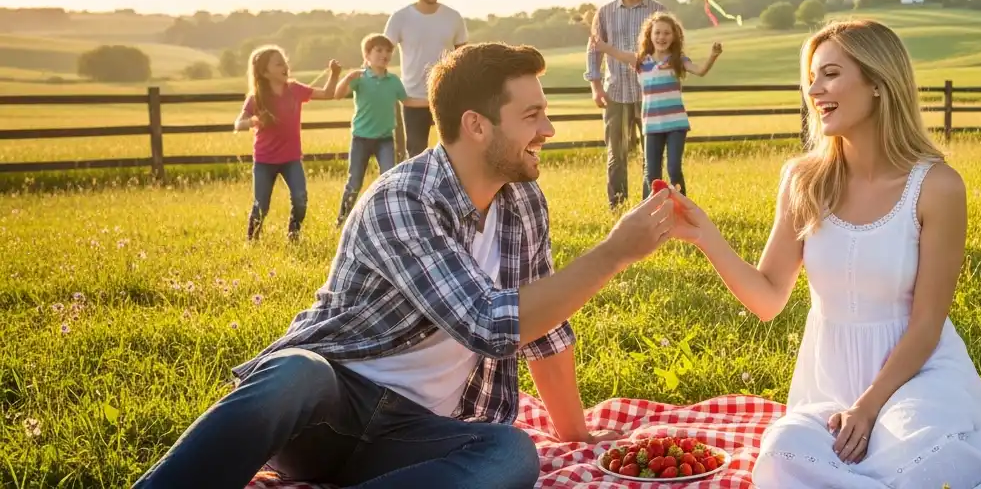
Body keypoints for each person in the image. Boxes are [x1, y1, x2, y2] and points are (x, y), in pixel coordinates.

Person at [136, 43, 678, 489]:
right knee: (296, 371)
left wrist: (575, 434)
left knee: (511, 452)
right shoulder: (403, 199)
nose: (549, 129)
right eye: (532, 116)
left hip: (414, 433)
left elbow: (543, 328)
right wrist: (614, 252)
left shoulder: (524, 202)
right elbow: (489, 323)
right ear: (477, 125)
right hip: (326, 414)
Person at [666, 19, 981, 488]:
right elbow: (769, 298)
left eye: (830, 74)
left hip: (920, 376)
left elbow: (927, 323)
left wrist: (868, 407)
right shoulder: (803, 179)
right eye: (811, 77)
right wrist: (705, 235)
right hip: (828, 386)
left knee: (916, 470)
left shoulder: (936, 186)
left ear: (878, 82)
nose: (814, 90)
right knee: (778, 463)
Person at [589, 11, 723, 199]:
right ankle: (652, 208)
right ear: (649, 35)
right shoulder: (641, 61)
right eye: (657, 33)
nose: (662, 37)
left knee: (674, 169)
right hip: (652, 126)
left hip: (676, 125)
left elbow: (700, 71)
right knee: (652, 174)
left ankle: (681, 207)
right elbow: (617, 54)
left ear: (674, 36)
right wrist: (602, 46)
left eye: (667, 33)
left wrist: (713, 56)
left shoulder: (677, 60)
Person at [234, 46, 341, 243]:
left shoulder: (295, 89)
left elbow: (327, 93)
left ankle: (293, 234)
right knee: (261, 205)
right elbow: (238, 124)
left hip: (291, 159)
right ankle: (252, 240)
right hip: (265, 160)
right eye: (278, 64)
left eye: (284, 62)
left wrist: (334, 74)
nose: (285, 66)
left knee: (300, 199)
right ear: (264, 72)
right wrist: (253, 121)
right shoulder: (256, 97)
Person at [584, 0, 666, 210]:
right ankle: (617, 207)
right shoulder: (605, 12)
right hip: (616, 93)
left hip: (650, 94)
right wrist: (596, 87)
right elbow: (594, 50)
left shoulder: (658, 11)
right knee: (616, 155)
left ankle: (650, 206)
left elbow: (669, 48)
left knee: (652, 155)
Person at [385, 0, 469, 157]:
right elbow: (382, 52)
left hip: (447, 95)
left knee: (454, 150)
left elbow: (463, 56)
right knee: (416, 152)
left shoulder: (453, 17)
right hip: (413, 97)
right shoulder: (400, 18)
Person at [333, 33, 409, 228]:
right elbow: (338, 95)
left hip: (385, 139)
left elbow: (407, 101)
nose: (384, 54)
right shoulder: (360, 78)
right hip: (361, 138)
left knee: (388, 180)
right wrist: (347, 78)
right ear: (367, 55)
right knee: (355, 182)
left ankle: (386, 221)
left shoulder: (394, 81)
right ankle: (342, 221)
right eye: (379, 50)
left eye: (388, 51)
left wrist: (431, 103)